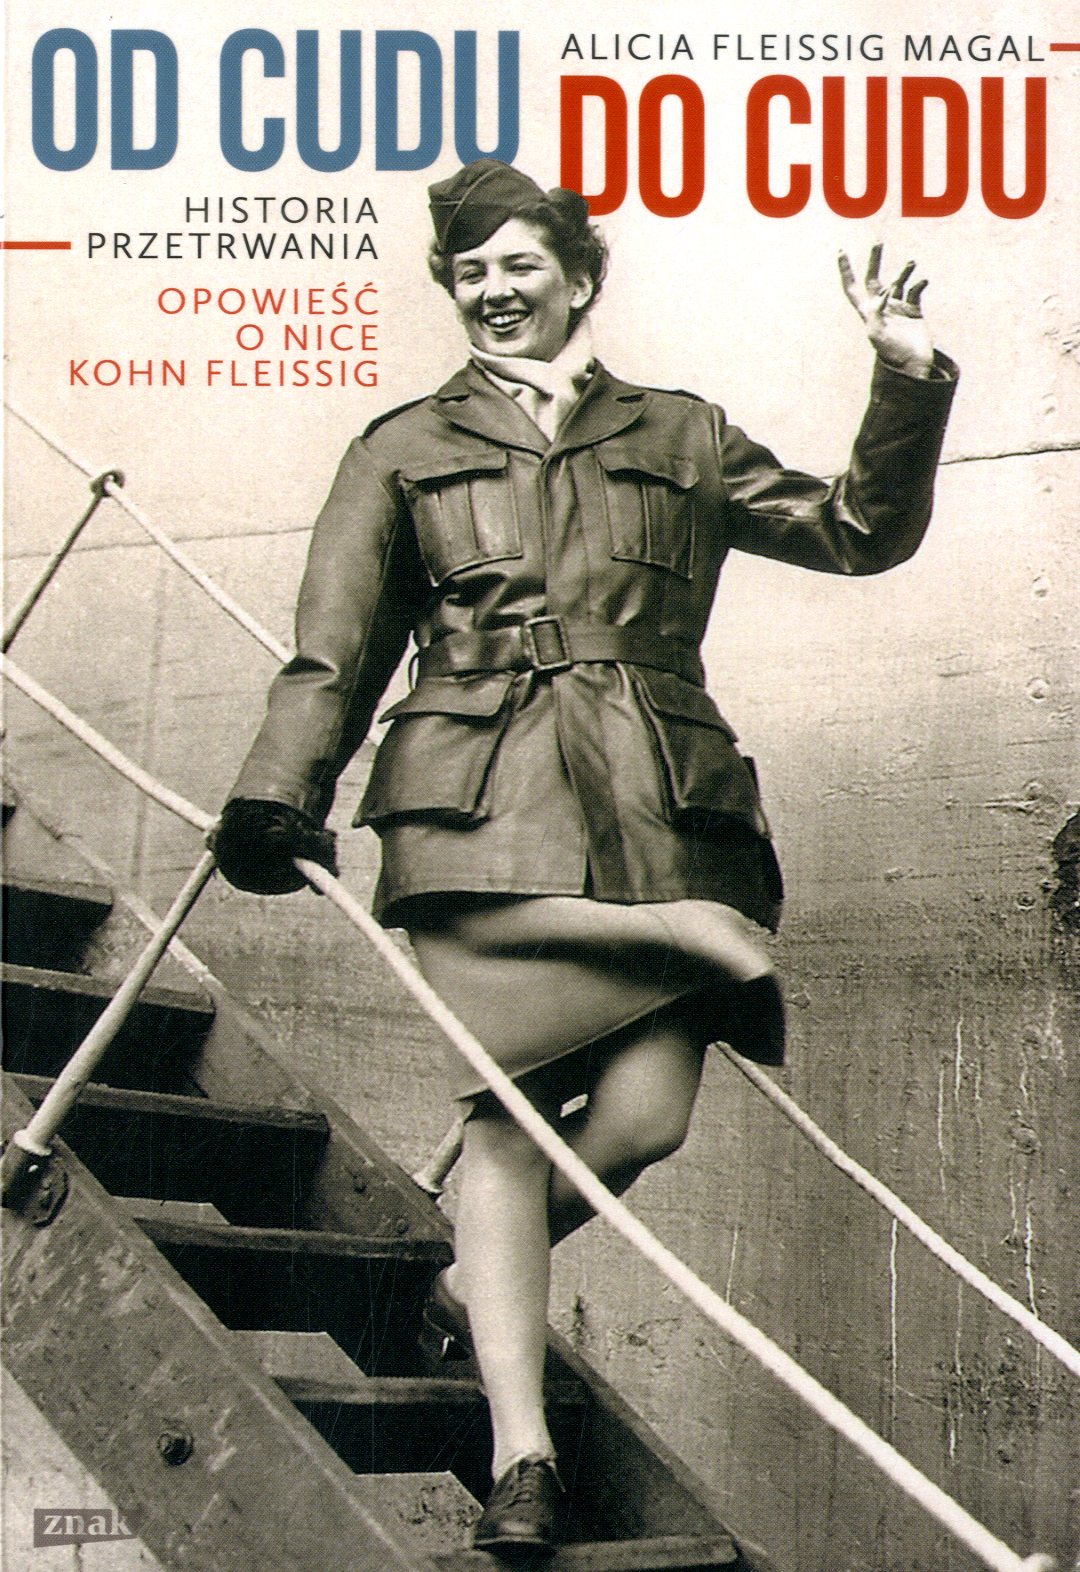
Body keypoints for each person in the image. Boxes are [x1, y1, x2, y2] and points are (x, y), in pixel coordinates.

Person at [212, 159, 957, 1554]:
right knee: (504, 1116)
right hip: (474, 800)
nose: (493, 292)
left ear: (579, 275)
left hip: (662, 803)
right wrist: (276, 789)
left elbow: (857, 533)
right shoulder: (400, 446)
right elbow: (336, 649)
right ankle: (524, 1454)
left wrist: (905, 379)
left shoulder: (681, 431)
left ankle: (466, 1290)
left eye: (518, 265)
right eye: (469, 273)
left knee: (644, 1121)